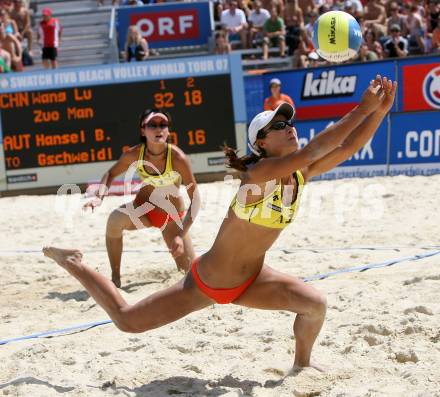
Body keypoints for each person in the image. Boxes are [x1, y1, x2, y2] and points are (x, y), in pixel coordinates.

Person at [43, 75, 397, 370]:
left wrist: (379, 112)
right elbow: (317, 148)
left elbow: (345, 148)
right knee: (127, 320)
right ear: (261, 142)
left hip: (254, 279)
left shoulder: (299, 174)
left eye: (288, 122)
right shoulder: (259, 174)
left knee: (315, 306)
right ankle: (73, 261)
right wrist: (363, 107)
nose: (288, 128)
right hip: (208, 282)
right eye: (278, 125)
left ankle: (301, 366)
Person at [83, 109, 198, 288]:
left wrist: (180, 235)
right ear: (143, 130)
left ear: (168, 131)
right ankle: (115, 278)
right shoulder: (134, 154)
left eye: (163, 124)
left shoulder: (177, 158)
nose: (158, 129)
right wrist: (99, 198)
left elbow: (196, 201)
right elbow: (111, 173)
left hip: (171, 218)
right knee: (114, 220)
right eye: (152, 125)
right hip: (143, 208)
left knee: (191, 277)